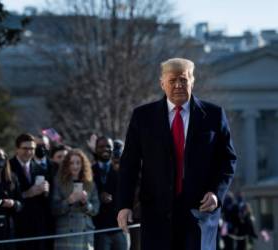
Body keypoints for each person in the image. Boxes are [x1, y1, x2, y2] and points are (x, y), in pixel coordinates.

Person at [117, 58, 237, 250]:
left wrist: (216, 193)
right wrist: (124, 205)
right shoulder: (143, 117)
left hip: (200, 213)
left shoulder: (214, 115)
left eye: (183, 79)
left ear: (192, 81)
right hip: (157, 213)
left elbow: (228, 160)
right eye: (172, 81)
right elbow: (129, 164)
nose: (178, 85)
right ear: (162, 83)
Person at [51, 149, 99, 250]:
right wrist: (69, 201)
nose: (75, 166)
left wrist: (85, 203)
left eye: (78, 162)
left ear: (83, 164)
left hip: (85, 233)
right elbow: (54, 209)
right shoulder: (58, 182)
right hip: (66, 233)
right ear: (66, 165)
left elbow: (95, 209)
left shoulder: (90, 183)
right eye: (71, 163)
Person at [9, 133, 50, 250]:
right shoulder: (8, 167)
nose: (28, 152)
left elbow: (45, 201)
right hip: (17, 226)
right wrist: (27, 194)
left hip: (38, 227)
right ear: (17, 149)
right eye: (25, 148)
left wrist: (46, 191)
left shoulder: (40, 169)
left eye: (31, 149)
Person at [92, 136, 130, 250]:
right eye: (101, 146)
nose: (105, 149)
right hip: (100, 228)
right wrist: (99, 197)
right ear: (96, 149)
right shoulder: (89, 170)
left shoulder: (122, 169)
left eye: (108, 146)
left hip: (120, 226)